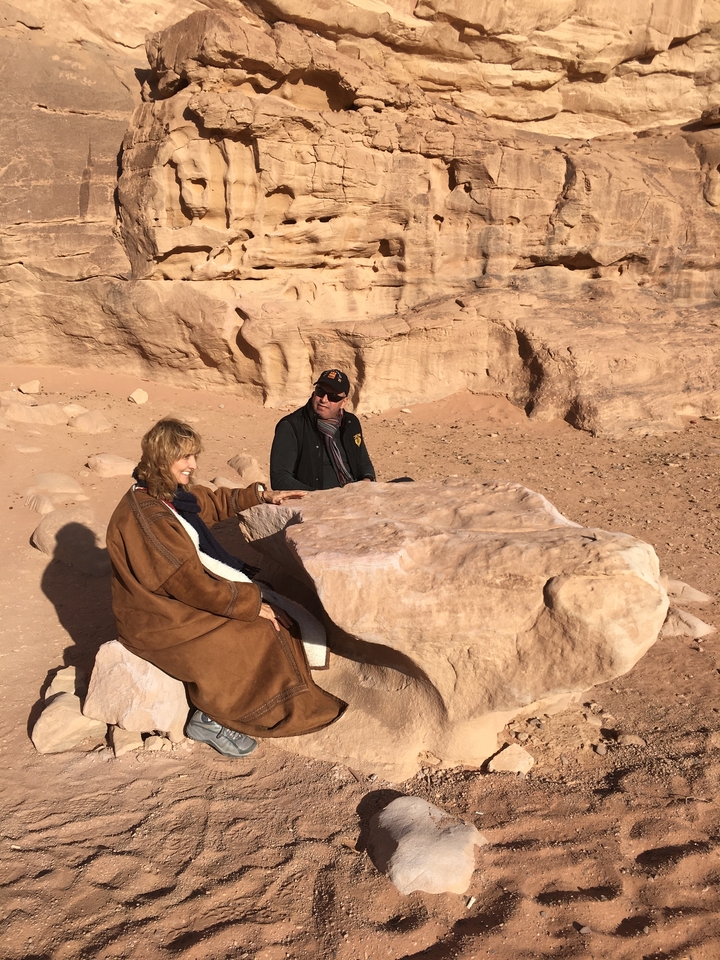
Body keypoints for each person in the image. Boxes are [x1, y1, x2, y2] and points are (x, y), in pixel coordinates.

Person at [105, 418, 345, 758]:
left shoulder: (163, 495)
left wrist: (261, 495)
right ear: (161, 458)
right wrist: (250, 604)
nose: (193, 465)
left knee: (273, 611)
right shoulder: (149, 518)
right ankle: (211, 718)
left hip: (173, 601)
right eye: (184, 457)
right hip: (158, 618)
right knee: (260, 630)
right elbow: (190, 585)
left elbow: (208, 502)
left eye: (194, 456)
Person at [270, 369, 376, 491]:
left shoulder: (350, 422)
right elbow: (280, 479)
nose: (324, 400)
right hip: (315, 498)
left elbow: (363, 463)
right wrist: (319, 496)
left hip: (353, 495)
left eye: (333, 397)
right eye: (320, 392)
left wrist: (366, 483)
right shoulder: (291, 426)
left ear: (344, 402)